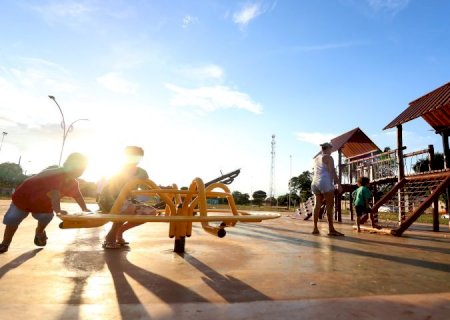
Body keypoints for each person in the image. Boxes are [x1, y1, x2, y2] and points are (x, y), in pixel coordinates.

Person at [0, 152, 91, 253]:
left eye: (82, 169)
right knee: (13, 218)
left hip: (42, 205)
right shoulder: (55, 173)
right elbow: (55, 194)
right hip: (24, 199)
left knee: (46, 216)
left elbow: (78, 196)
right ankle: (5, 243)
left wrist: (85, 209)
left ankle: (39, 232)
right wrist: (58, 211)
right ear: (67, 165)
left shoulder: (73, 183)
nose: (79, 171)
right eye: (77, 167)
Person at [98, 146, 157, 249]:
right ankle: (110, 237)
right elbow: (110, 189)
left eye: (137, 156)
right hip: (109, 200)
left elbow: (146, 189)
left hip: (127, 201)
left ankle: (120, 231)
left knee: (150, 212)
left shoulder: (141, 172)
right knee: (128, 208)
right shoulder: (119, 169)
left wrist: (157, 190)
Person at [310, 142, 344, 236]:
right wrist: (338, 184)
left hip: (314, 183)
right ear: (328, 148)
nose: (331, 150)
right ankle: (331, 229)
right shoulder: (328, 157)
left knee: (317, 205)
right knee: (330, 205)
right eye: (331, 148)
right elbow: (332, 171)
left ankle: (315, 228)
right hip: (324, 182)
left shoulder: (316, 158)